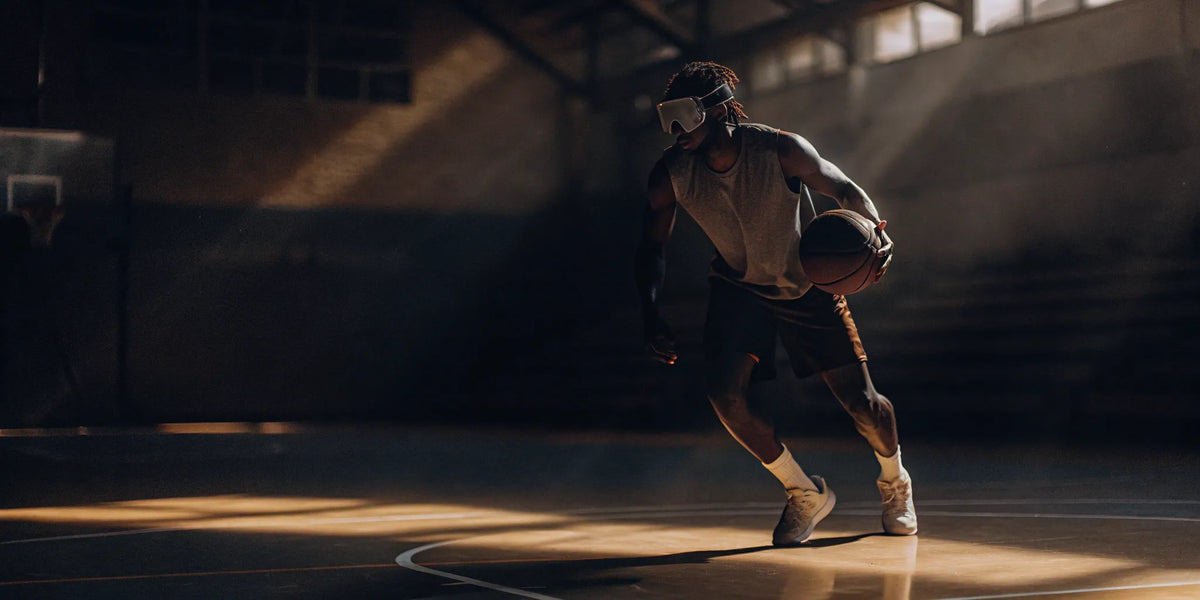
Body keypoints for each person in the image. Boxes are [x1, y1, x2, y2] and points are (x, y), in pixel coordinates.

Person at [635, 61, 916, 546]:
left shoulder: (780, 148)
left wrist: (876, 232)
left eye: (683, 115)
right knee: (725, 397)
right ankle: (804, 491)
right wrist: (650, 311)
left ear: (718, 109)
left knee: (864, 405)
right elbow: (650, 245)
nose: (675, 129)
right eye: (667, 118)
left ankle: (895, 481)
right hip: (738, 287)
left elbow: (843, 187)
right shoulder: (670, 173)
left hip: (805, 285)